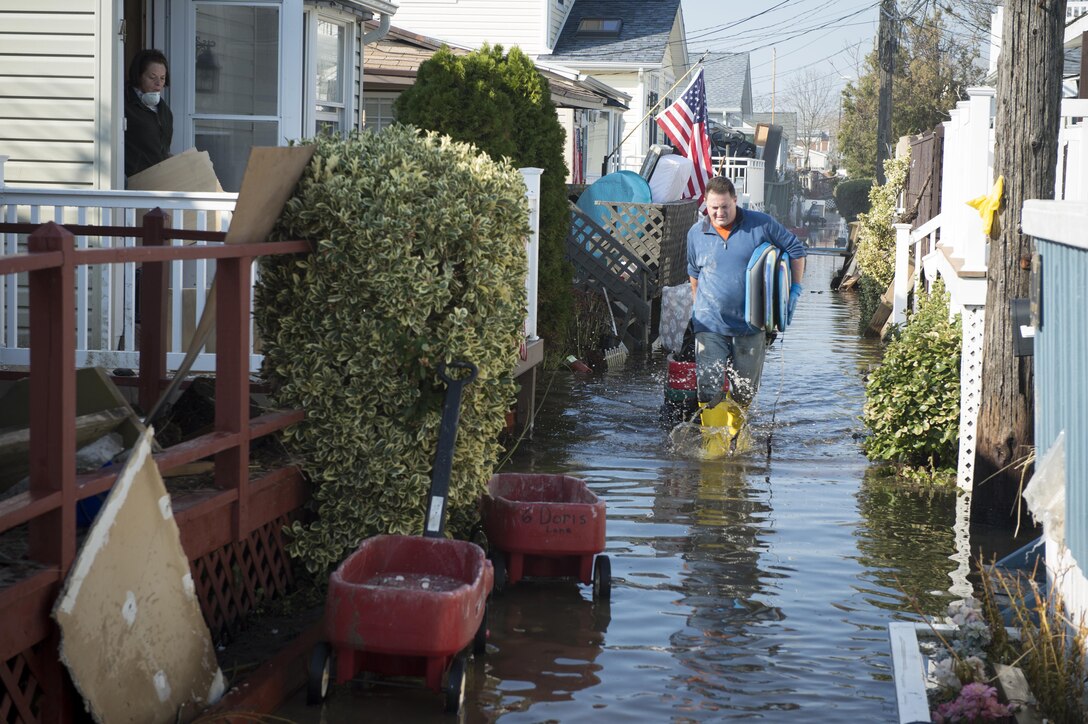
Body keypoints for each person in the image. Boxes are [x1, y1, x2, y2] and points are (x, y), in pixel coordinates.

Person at [687, 175, 807, 411]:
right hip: (710, 324)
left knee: (744, 391)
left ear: (735, 200)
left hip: (751, 325)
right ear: (705, 204)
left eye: (725, 206)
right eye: (714, 208)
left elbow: (796, 249)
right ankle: (712, 439)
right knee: (708, 388)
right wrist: (697, 312)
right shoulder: (695, 233)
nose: (719, 213)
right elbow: (694, 275)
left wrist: (794, 289)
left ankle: (736, 436)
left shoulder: (761, 224)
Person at [125, 49, 173, 180]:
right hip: (133, 182)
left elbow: (163, 149)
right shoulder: (123, 102)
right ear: (139, 75)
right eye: (152, 77)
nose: (158, 84)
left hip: (158, 180)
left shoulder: (165, 111)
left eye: (162, 78)